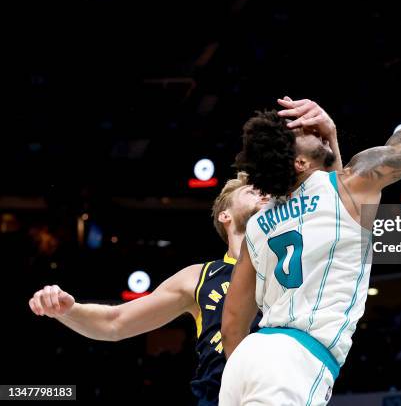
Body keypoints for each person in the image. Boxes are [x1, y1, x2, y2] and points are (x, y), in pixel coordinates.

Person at [220, 0, 401, 405]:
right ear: (299, 164)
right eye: (301, 134)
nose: (308, 126)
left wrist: (250, 366)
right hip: (296, 359)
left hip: (248, 359)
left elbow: (233, 322)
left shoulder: (259, 226)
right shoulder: (352, 183)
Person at [28, 173, 264, 406]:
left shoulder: (290, 264)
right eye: (252, 191)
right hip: (219, 398)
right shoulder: (198, 277)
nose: (263, 196)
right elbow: (115, 322)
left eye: (266, 193)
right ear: (225, 215)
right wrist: (68, 310)